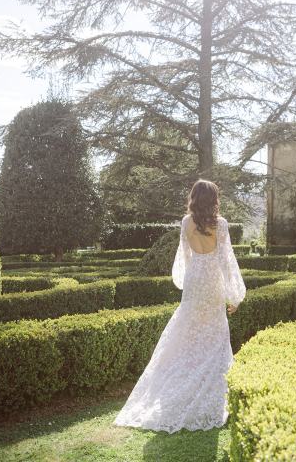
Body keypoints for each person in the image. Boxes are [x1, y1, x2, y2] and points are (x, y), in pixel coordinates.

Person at [113, 179, 246, 433]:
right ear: (214, 199)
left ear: (194, 198)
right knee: (215, 335)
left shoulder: (186, 223)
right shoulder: (222, 224)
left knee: (188, 332)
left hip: (195, 280)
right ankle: (209, 386)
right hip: (213, 281)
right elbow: (226, 261)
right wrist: (234, 295)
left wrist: (191, 276)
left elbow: (185, 257)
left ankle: (183, 379)